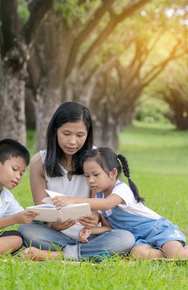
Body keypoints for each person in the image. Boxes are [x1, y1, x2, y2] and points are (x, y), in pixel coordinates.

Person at [52, 147, 188, 260]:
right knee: (137, 254)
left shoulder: (121, 190)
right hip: (139, 238)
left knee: (176, 255)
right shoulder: (101, 195)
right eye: (87, 176)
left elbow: (106, 204)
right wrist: (91, 230)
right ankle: (166, 253)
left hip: (157, 230)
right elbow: (112, 228)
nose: (91, 180)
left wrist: (71, 199)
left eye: (95, 175)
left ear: (113, 173)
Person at [18, 102, 135, 261]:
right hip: (55, 235)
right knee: (26, 228)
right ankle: (87, 253)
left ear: (87, 134)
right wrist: (54, 225)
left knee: (126, 237)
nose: (73, 141)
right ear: (55, 131)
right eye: (66, 134)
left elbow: (99, 207)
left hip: (89, 235)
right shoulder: (39, 161)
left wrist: (95, 218)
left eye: (80, 135)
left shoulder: (96, 160)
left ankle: (60, 255)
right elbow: (41, 211)